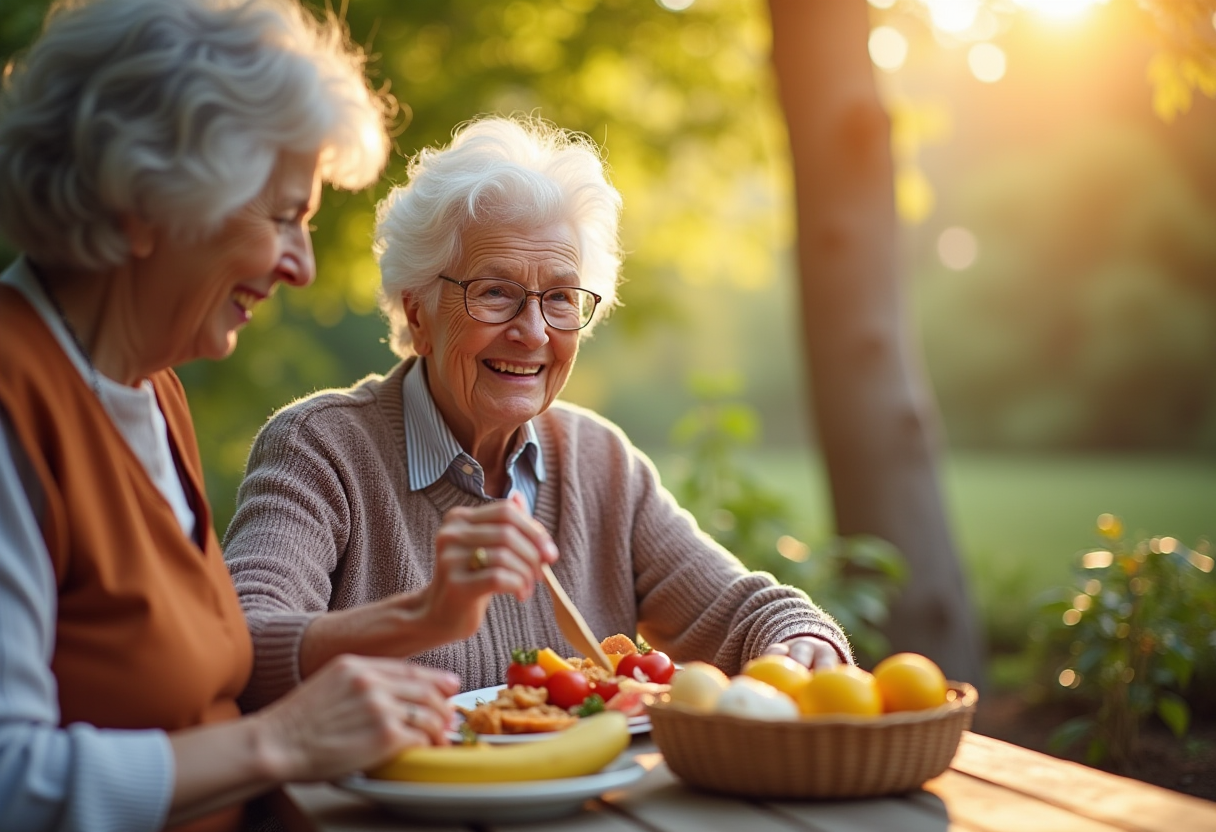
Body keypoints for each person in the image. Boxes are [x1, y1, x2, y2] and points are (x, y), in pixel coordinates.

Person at [0, 2, 460, 831]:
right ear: (144, 197)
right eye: (282, 216)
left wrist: (417, 621)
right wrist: (282, 741)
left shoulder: (148, 386)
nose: (304, 267)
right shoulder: (14, 396)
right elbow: (10, 781)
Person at [223, 115, 853, 709]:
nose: (532, 332)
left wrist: (801, 639)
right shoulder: (322, 449)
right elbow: (245, 642)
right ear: (418, 312)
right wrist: (420, 616)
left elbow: (736, 610)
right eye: (494, 292)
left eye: (559, 298)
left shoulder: (598, 460)